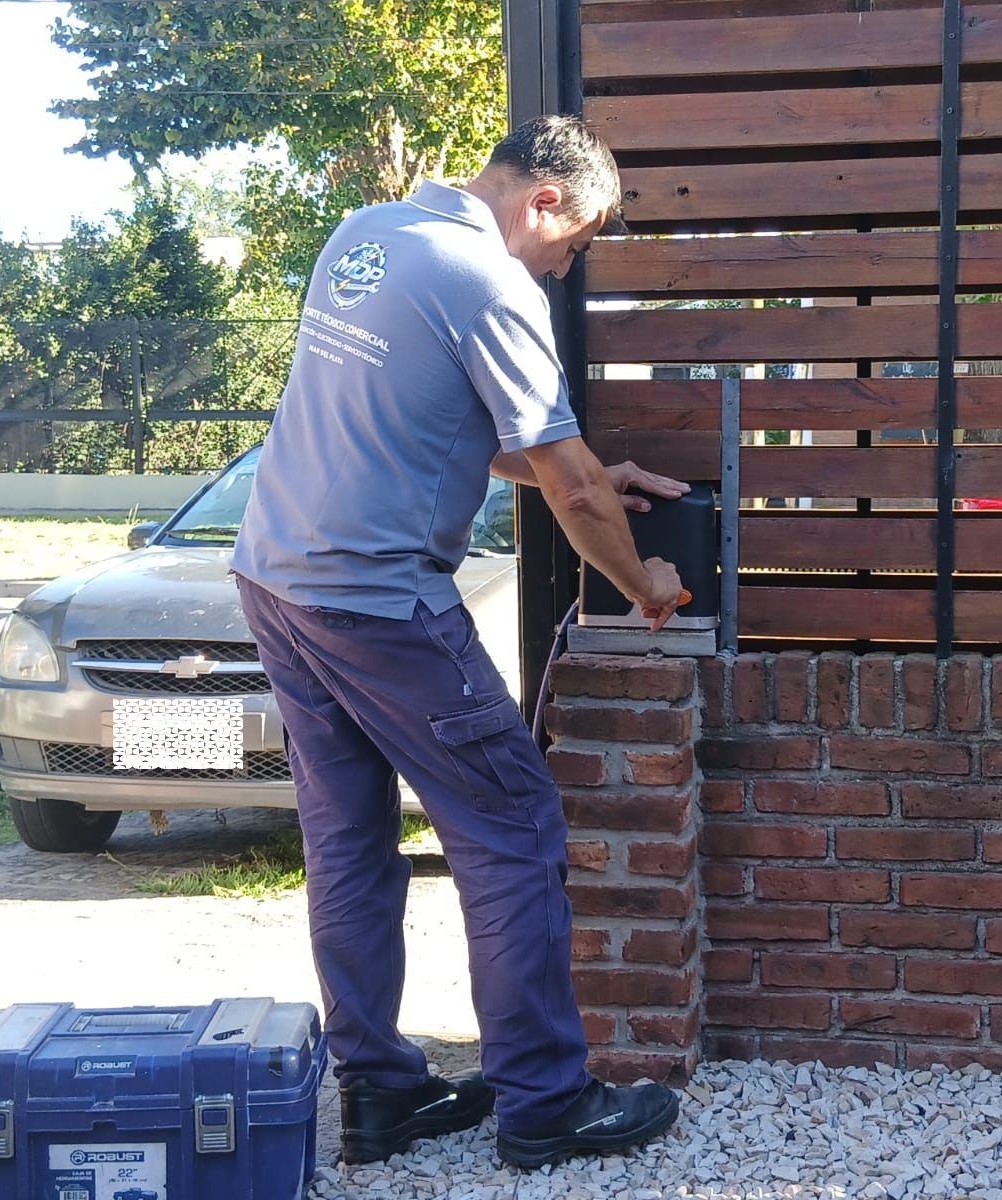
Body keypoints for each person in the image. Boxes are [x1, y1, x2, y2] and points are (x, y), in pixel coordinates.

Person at [229, 115, 687, 1169]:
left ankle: (382, 1097)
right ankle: (545, 1103)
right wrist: (643, 581)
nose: (565, 269)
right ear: (544, 201)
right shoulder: (491, 283)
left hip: (276, 580)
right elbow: (571, 487)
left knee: (347, 842)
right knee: (513, 828)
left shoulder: (367, 234)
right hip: (377, 602)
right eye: (575, 244)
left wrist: (590, 476)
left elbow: (439, 426)